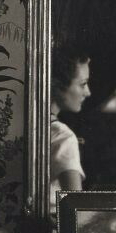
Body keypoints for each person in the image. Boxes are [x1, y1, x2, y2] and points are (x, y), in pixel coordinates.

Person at [49, 45, 91, 213]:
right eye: (83, 84)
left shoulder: (37, 128)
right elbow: (76, 210)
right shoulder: (62, 136)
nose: (88, 92)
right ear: (58, 86)